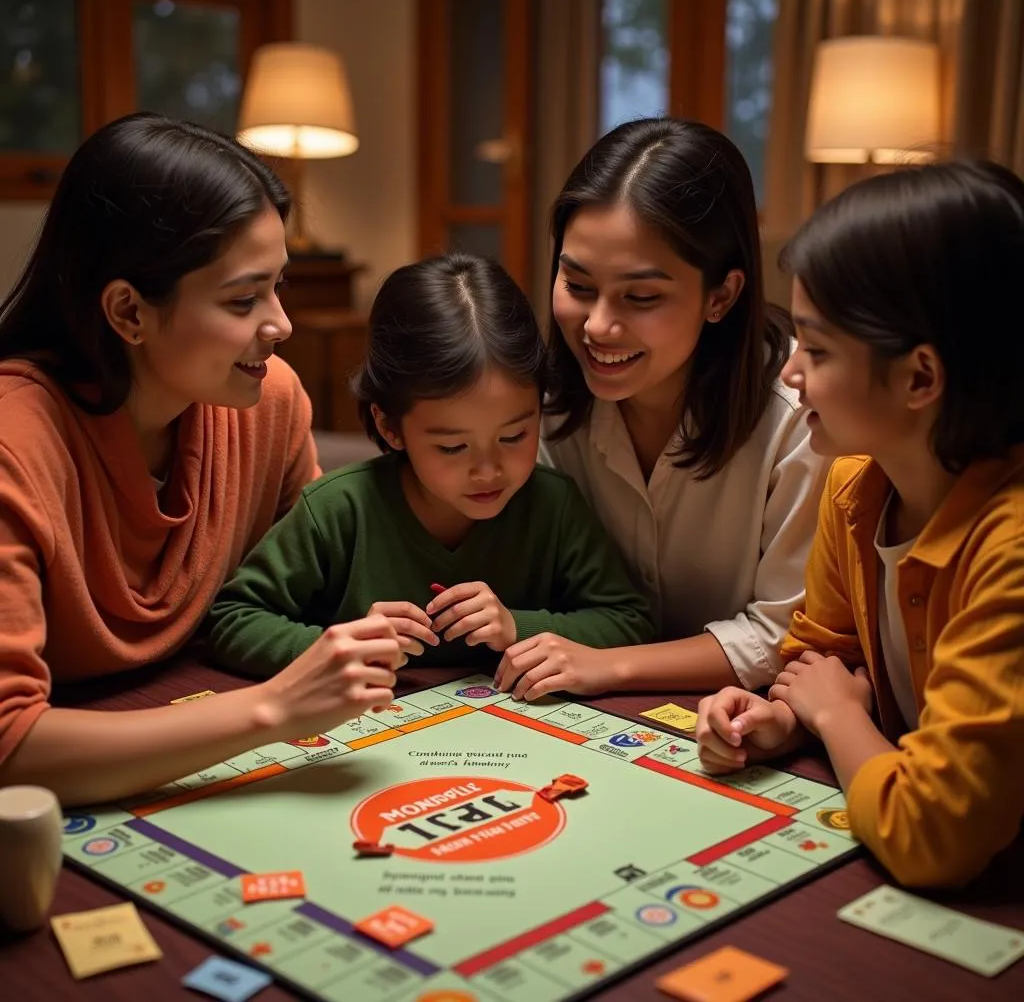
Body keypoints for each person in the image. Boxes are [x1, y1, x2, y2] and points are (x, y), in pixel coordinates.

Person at [0, 113, 404, 808]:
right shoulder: (17, 444)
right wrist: (273, 710)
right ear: (129, 312)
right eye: (244, 299)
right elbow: (10, 749)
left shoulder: (269, 403)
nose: (280, 324)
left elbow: (309, 594)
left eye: (278, 286)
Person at [695, 160, 1024, 888]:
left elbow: (936, 835)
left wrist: (839, 718)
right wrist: (778, 717)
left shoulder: (1011, 549)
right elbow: (820, 660)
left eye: (816, 350)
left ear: (919, 379)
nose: (790, 374)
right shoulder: (858, 485)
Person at [495, 117, 828, 700]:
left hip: (738, 715)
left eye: (641, 296)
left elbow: (783, 635)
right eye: (576, 286)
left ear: (721, 295)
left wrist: (612, 664)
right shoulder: (537, 403)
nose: (598, 326)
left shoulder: (801, 413)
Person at [208, 253, 653, 675]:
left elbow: (630, 622)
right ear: (390, 426)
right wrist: (339, 648)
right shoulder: (338, 511)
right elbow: (232, 620)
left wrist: (519, 626)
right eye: (453, 448)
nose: (488, 470)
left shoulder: (553, 506)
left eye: (514, 436)